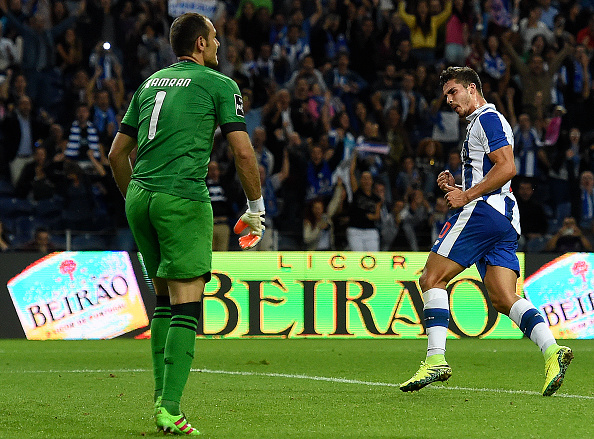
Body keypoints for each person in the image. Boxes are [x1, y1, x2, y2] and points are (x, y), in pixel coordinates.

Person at [108, 13, 264, 436]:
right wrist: (256, 206)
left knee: (163, 299)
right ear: (199, 44)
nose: (219, 45)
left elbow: (116, 154)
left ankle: (160, 400)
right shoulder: (219, 84)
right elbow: (244, 154)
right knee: (187, 303)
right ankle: (170, 408)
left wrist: (137, 201)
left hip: (140, 196)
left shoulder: (149, 83)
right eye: (214, 38)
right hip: (182, 198)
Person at [400, 66, 572, 397]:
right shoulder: (485, 123)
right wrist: (459, 185)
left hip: (482, 212)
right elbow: (493, 173)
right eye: (445, 94)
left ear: (472, 88)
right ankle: (552, 351)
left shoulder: (486, 119)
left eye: (453, 91)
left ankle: (436, 358)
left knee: (431, 279)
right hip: (504, 219)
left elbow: (508, 168)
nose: (448, 99)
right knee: (504, 298)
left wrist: (465, 195)